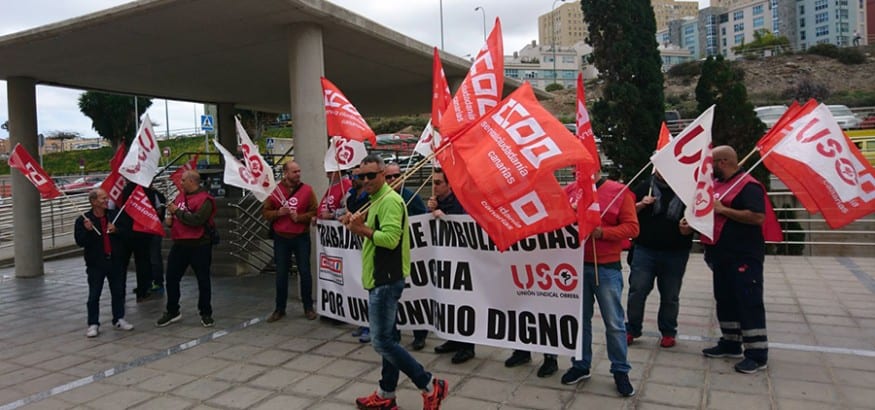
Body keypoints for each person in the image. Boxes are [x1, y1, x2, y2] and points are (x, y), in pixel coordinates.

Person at [342, 154, 449, 410]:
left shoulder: (389, 200)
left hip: (385, 280)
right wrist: (357, 223)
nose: (365, 180)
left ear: (382, 174)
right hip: (380, 278)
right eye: (361, 176)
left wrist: (361, 230)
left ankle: (429, 384)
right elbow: (377, 231)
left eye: (371, 175)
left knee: (382, 342)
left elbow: (390, 239)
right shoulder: (375, 199)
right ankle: (386, 393)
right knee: (389, 338)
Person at [560, 171, 639, 397]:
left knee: (614, 323)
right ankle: (580, 364)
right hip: (575, 267)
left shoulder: (619, 192)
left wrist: (602, 232)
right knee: (579, 321)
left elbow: (633, 228)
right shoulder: (571, 190)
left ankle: (620, 370)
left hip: (605, 267)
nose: (579, 171)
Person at [701, 145, 770, 374]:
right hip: (721, 255)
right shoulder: (719, 184)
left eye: (712, 163)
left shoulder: (749, 186)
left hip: (744, 256)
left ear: (723, 162)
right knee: (725, 300)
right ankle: (730, 342)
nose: (709, 168)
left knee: (748, 303)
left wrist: (723, 210)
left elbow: (758, 216)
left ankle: (757, 354)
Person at [625, 172, 694, 348]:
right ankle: (632, 329)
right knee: (637, 290)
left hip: (676, 251)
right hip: (645, 249)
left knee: (670, 295)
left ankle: (668, 332)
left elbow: (700, 217)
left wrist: (690, 228)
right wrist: (641, 204)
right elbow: (626, 212)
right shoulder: (644, 186)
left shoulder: (688, 190)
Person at [156, 170, 217, 328]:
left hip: (199, 245)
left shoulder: (205, 200)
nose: (180, 183)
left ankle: (205, 313)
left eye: (183, 180)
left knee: (203, 280)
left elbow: (197, 220)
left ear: (192, 181)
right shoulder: (179, 197)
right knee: (171, 278)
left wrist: (177, 211)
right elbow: (175, 217)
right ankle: (172, 310)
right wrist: (170, 218)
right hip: (180, 244)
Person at [428, 168, 475, 364]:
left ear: (449, 185)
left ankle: (467, 346)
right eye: (433, 182)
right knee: (448, 301)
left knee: (464, 303)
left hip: (463, 261)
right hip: (444, 261)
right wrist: (430, 211)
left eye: (438, 183)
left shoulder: (461, 201)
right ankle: (453, 339)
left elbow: (465, 225)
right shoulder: (436, 202)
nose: (434, 186)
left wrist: (443, 217)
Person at [263, 161, 318, 322]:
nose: (298, 174)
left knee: (305, 272)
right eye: (294, 171)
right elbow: (265, 213)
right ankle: (280, 308)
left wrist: (299, 218)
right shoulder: (275, 191)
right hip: (281, 237)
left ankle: (308, 307)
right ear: (286, 173)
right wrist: (279, 213)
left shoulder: (307, 190)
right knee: (281, 274)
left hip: (301, 236)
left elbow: (315, 210)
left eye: (299, 171)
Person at [75, 188, 133, 337]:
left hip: (115, 261)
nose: (106, 200)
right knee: (94, 294)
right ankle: (93, 323)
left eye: (106, 198)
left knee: (118, 291)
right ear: (94, 202)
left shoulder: (114, 216)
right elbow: (80, 242)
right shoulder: (83, 220)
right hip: (96, 263)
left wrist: (117, 231)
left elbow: (128, 235)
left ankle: (119, 318)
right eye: (102, 198)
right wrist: (87, 231)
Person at [385, 162, 429, 350]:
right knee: (392, 298)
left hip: (413, 255)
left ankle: (420, 335)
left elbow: (425, 222)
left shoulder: (412, 197)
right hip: (391, 258)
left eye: (397, 175)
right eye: (389, 177)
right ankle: (393, 334)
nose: (393, 179)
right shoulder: (382, 199)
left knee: (415, 296)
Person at [116, 182, 155, 302]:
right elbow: (151, 210)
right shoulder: (147, 191)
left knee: (121, 265)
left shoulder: (123, 190)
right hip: (141, 231)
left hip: (124, 232)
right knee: (143, 262)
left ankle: (119, 292)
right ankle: (142, 292)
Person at [145, 184, 167, 294]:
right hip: (143, 230)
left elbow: (160, 210)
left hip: (154, 229)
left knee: (154, 258)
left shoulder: (155, 194)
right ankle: (146, 283)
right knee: (146, 259)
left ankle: (158, 283)